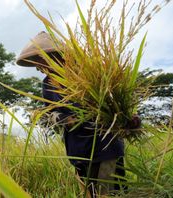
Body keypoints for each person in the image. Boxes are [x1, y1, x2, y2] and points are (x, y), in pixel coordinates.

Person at [16, 31, 141, 196]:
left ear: (57, 56)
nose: (39, 68)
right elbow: (50, 113)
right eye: (37, 63)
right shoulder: (48, 84)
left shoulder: (90, 73)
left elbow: (117, 102)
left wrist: (131, 120)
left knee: (109, 192)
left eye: (41, 61)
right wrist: (64, 119)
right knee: (89, 193)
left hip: (105, 146)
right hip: (78, 150)